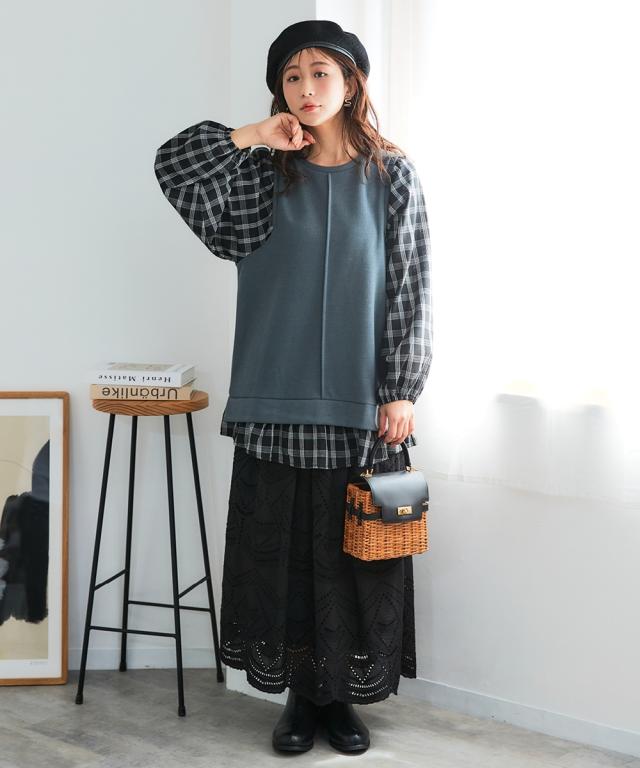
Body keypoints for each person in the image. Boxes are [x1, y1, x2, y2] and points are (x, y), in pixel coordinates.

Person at [154, 18, 432, 756]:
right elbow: (174, 163)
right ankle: (299, 702)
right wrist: (255, 134)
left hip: (362, 404)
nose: (307, 89)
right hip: (273, 396)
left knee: (353, 557)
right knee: (282, 560)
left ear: (351, 83)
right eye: (292, 77)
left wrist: (402, 388)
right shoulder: (259, 178)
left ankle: (339, 701)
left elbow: (411, 286)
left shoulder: (391, 177)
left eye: (320, 73)